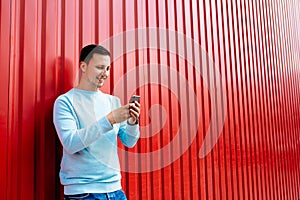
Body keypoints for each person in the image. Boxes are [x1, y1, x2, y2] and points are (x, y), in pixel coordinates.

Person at [53, 44, 140, 200]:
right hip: (83, 194)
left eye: (107, 68)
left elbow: (129, 141)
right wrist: (110, 119)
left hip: (116, 191)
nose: (105, 73)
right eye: (100, 67)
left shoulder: (113, 101)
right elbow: (71, 143)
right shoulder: (65, 102)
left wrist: (133, 122)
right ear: (83, 66)